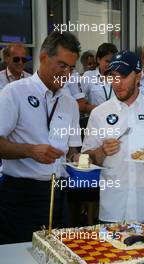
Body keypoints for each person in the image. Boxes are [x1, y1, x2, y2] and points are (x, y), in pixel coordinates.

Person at [0, 31, 82, 244]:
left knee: (61, 253)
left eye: (72, 68)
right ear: (43, 58)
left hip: (59, 192)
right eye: (62, 66)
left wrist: (80, 161)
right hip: (21, 194)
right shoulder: (13, 93)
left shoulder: (70, 102)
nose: (67, 75)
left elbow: (73, 150)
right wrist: (29, 150)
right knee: (19, 255)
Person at [82, 50, 144, 224]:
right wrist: (101, 152)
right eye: (113, 77)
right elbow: (84, 159)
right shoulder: (98, 114)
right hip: (112, 212)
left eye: (123, 76)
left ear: (138, 76)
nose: (117, 83)